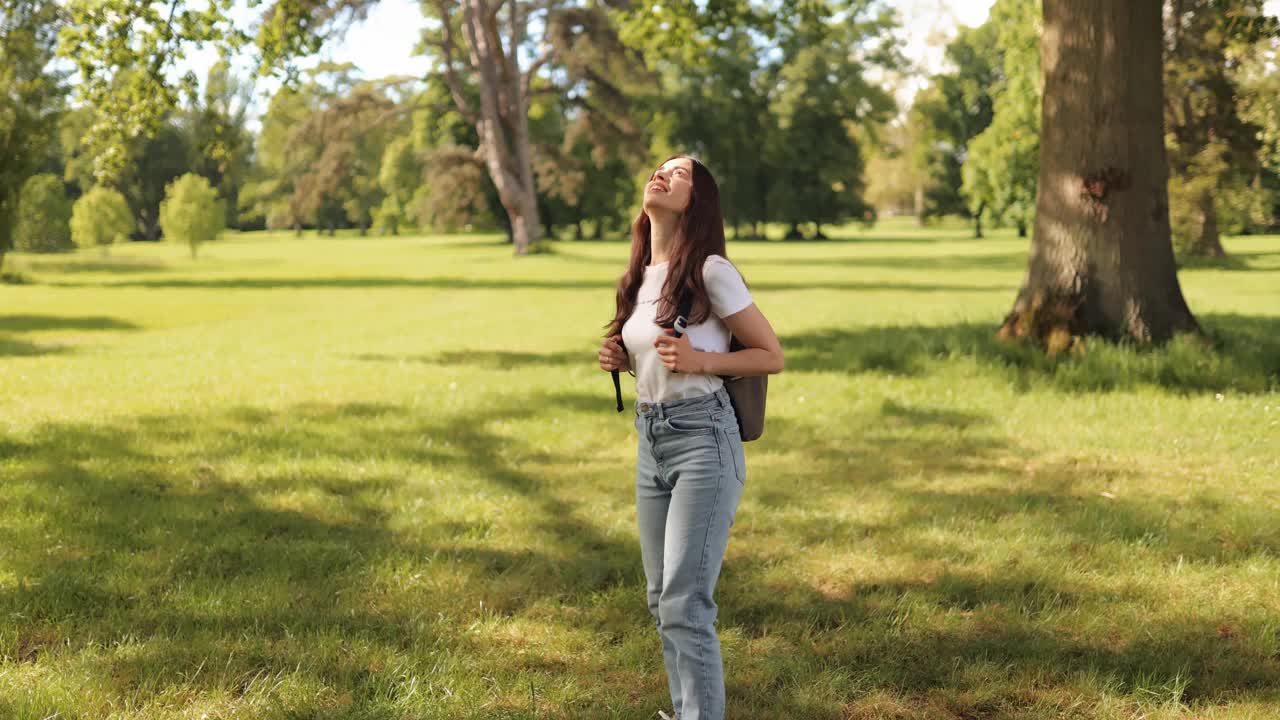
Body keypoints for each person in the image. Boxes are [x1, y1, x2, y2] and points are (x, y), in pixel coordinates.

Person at [598, 155, 785, 720]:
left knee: (685, 603)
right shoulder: (639, 275)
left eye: (679, 172)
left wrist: (702, 359)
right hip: (651, 441)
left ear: (697, 200)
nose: (662, 173)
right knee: (663, 602)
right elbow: (656, 359)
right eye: (659, 167)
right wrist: (620, 359)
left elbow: (771, 355)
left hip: (704, 438)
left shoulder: (711, 270)